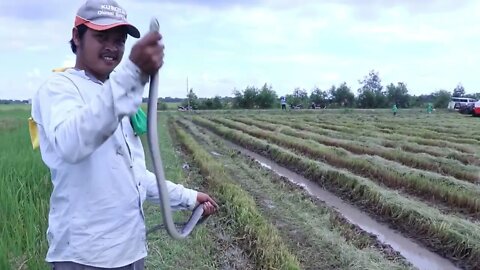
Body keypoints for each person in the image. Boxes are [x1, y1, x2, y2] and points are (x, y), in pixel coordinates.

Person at [30, 1, 218, 269]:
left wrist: (188, 197)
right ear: (76, 36)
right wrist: (131, 73)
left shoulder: (113, 95)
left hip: (130, 253)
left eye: (119, 40)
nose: (112, 46)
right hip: (85, 256)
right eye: (101, 37)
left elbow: (133, 176)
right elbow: (71, 143)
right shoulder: (59, 88)